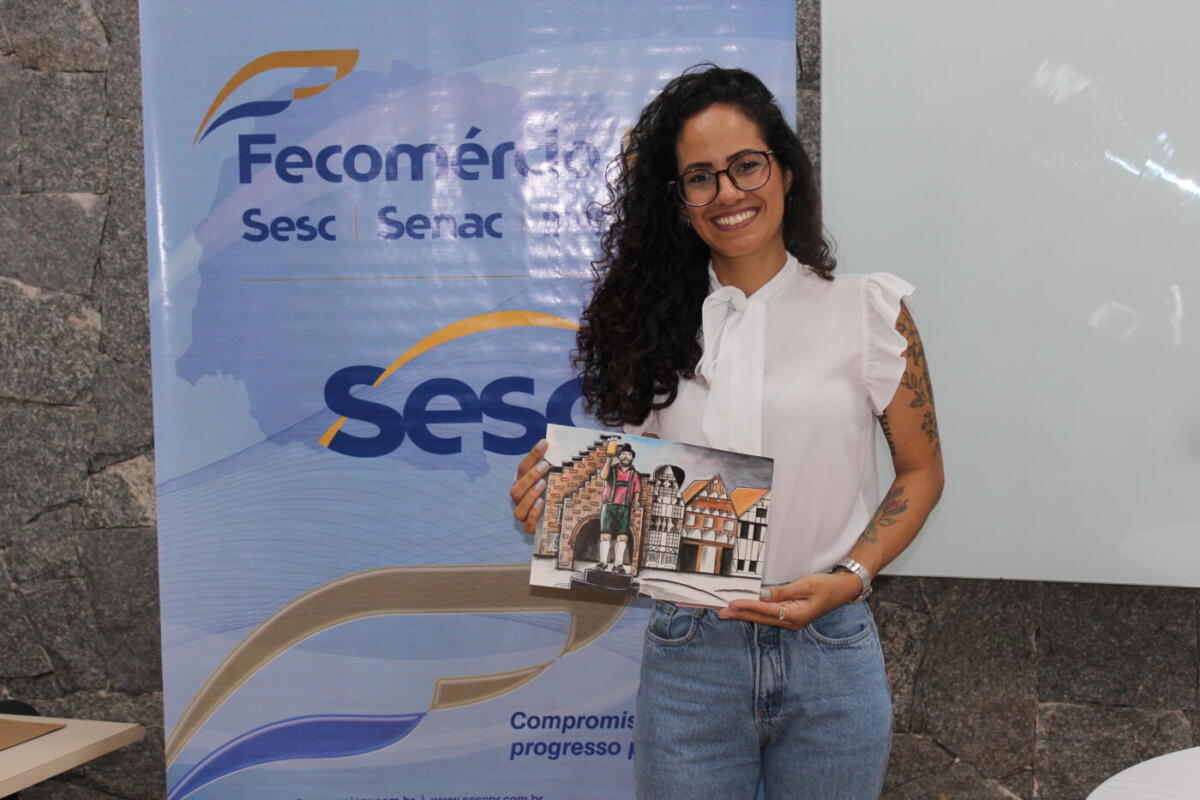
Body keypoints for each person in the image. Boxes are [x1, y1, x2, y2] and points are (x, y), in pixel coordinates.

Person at [510, 64, 944, 800]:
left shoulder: (868, 310)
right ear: (678, 202)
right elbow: (642, 500)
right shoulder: (646, 329)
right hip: (691, 656)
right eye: (700, 178)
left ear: (786, 171)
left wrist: (850, 577)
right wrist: (562, 507)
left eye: (746, 165)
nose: (728, 193)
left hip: (831, 650)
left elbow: (921, 471)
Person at [597, 442, 641, 573]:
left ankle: (618, 565)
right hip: (609, 506)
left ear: (633, 458)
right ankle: (603, 563)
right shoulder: (611, 469)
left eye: (629, 454)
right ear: (619, 456)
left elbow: (637, 489)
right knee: (605, 535)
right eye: (623, 454)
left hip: (624, 508)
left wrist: (636, 502)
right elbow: (603, 476)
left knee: (622, 537)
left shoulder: (634, 474)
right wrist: (609, 459)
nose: (626, 456)